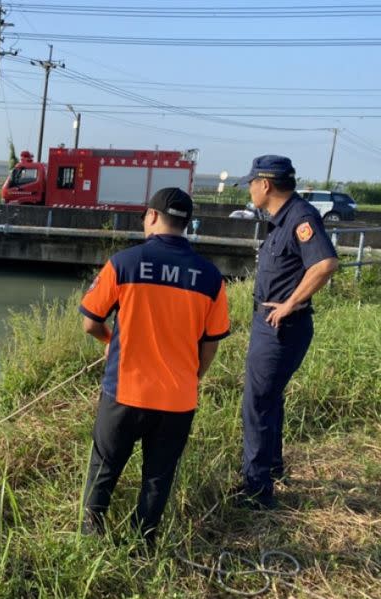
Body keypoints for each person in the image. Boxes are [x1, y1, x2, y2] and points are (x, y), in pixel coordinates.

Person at [79, 187, 230, 543]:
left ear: (151, 217)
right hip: (177, 399)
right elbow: (211, 345)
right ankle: (143, 541)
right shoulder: (210, 278)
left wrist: (109, 341)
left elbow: (90, 320)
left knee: (104, 466)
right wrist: (192, 378)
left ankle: (92, 535)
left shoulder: (124, 263)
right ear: (186, 224)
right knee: (158, 476)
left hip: (124, 391)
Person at [235, 155, 338, 509]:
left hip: (280, 328)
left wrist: (290, 302)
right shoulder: (282, 220)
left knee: (257, 404)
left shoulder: (300, 217)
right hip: (272, 326)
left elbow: (325, 263)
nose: (249, 189)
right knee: (270, 400)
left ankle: (256, 490)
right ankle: (271, 468)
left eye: (251, 183)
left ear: (265, 185)